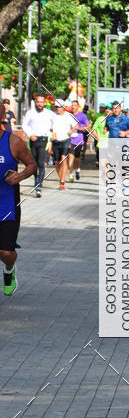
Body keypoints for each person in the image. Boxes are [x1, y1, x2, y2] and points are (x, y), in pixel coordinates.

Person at [0, 102, 36, 295]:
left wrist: (20, 176)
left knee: (5, 252)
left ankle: (9, 270)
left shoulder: (14, 142)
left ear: (2, 116)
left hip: (7, 204)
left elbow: (32, 164)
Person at [22, 93, 54, 197]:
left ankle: (39, 186)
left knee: (41, 163)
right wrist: (30, 134)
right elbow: (24, 125)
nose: (40, 104)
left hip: (44, 140)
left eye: (41, 102)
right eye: (38, 102)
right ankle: (36, 181)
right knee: (34, 164)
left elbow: (56, 124)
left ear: (45, 103)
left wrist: (52, 133)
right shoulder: (30, 113)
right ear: (35, 102)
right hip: (32, 140)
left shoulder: (49, 113)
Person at [51, 100, 75, 189]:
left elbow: (75, 125)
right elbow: (50, 128)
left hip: (65, 140)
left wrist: (71, 131)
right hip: (56, 141)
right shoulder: (53, 116)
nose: (58, 109)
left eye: (60, 107)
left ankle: (62, 181)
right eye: (57, 107)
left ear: (63, 107)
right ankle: (61, 178)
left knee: (63, 158)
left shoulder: (69, 116)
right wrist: (52, 134)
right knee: (57, 162)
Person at [67, 100, 90, 182]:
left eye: (75, 105)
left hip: (79, 140)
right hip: (70, 140)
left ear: (78, 106)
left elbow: (88, 126)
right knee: (70, 157)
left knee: (77, 157)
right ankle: (71, 175)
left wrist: (80, 128)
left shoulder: (82, 116)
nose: (73, 107)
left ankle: (78, 169)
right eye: (72, 105)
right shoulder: (69, 115)